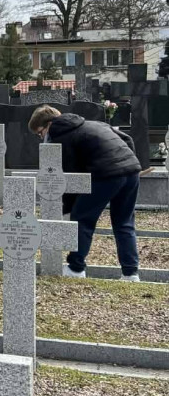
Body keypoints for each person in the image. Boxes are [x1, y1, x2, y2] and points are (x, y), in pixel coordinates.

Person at [29, 105, 143, 281]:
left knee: (82, 220)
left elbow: (67, 174)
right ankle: (130, 273)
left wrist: (69, 208)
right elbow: (127, 140)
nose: (41, 138)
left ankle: (76, 268)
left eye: (40, 133)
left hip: (105, 175)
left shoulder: (61, 137)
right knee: (124, 223)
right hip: (131, 171)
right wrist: (128, 166)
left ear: (49, 125)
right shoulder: (95, 124)